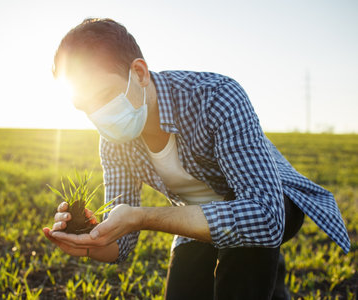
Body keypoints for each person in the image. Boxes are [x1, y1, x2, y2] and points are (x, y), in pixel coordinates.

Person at [42, 18, 350, 300]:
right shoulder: (114, 143)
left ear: (139, 72)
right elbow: (121, 246)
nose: (99, 115)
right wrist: (86, 241)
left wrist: (143, 216)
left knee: (244, 254)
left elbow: (265, 216)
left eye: (104, 95)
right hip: (194, 217)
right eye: (85, 107)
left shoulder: (215, 96)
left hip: (272, 200)